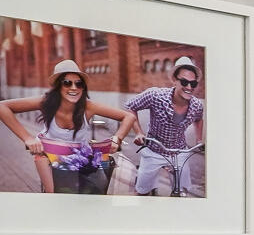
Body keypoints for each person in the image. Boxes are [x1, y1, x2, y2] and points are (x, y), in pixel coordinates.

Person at [2, 58, 132, 194]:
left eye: (79, 84)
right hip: (49, 157)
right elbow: (3, 107)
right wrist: (27, 138)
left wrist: (117, 139)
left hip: (80, 159)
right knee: (56, 196)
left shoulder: (88, 106)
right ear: (58, 86)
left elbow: (128, 116)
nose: (73, 88)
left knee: (94, 194)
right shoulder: (46, 101)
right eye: (67, 83)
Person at [118, 55, 207, 198]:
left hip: (179, 151)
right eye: (184, 82)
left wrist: (198, 140)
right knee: (141, 191)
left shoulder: (197, 105)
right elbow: (130, 106)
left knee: (182, 192)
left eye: (193, 83)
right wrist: (139, 133)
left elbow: (198, 119)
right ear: (174, 81)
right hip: (154, 150)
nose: (189, 87)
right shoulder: (156, 95)